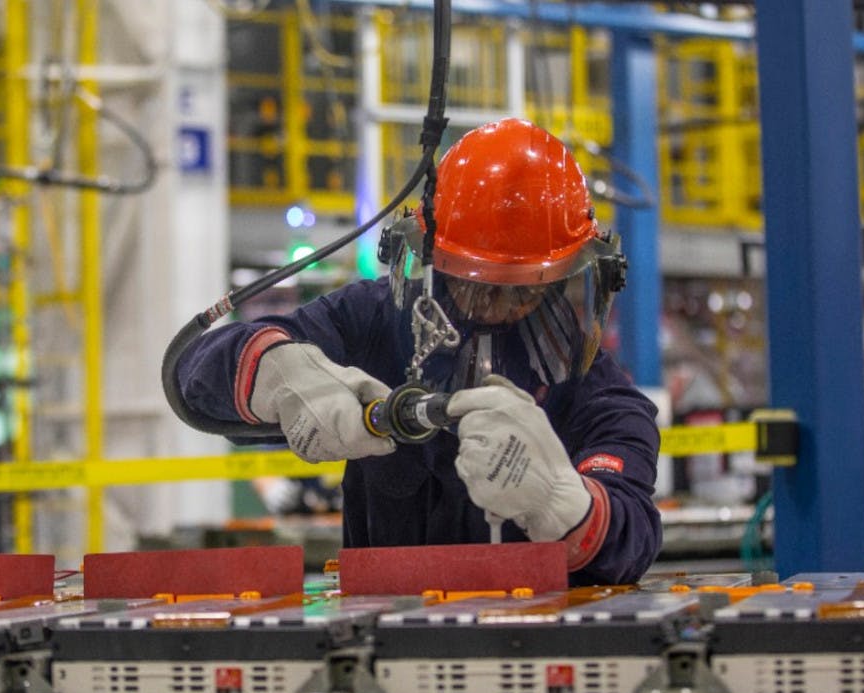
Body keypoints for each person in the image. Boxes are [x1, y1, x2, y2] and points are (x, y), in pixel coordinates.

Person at [174, 119, 661, 585]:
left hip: (534, 637)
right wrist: (277, 373)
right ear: (430, 261)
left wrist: (564, 504)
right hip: (379, 635)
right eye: (470, 281)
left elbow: (633, 533)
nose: (490, 303)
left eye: (520, 288)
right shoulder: (371, 323)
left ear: (565, 279)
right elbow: (194, 375)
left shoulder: (600, 398)